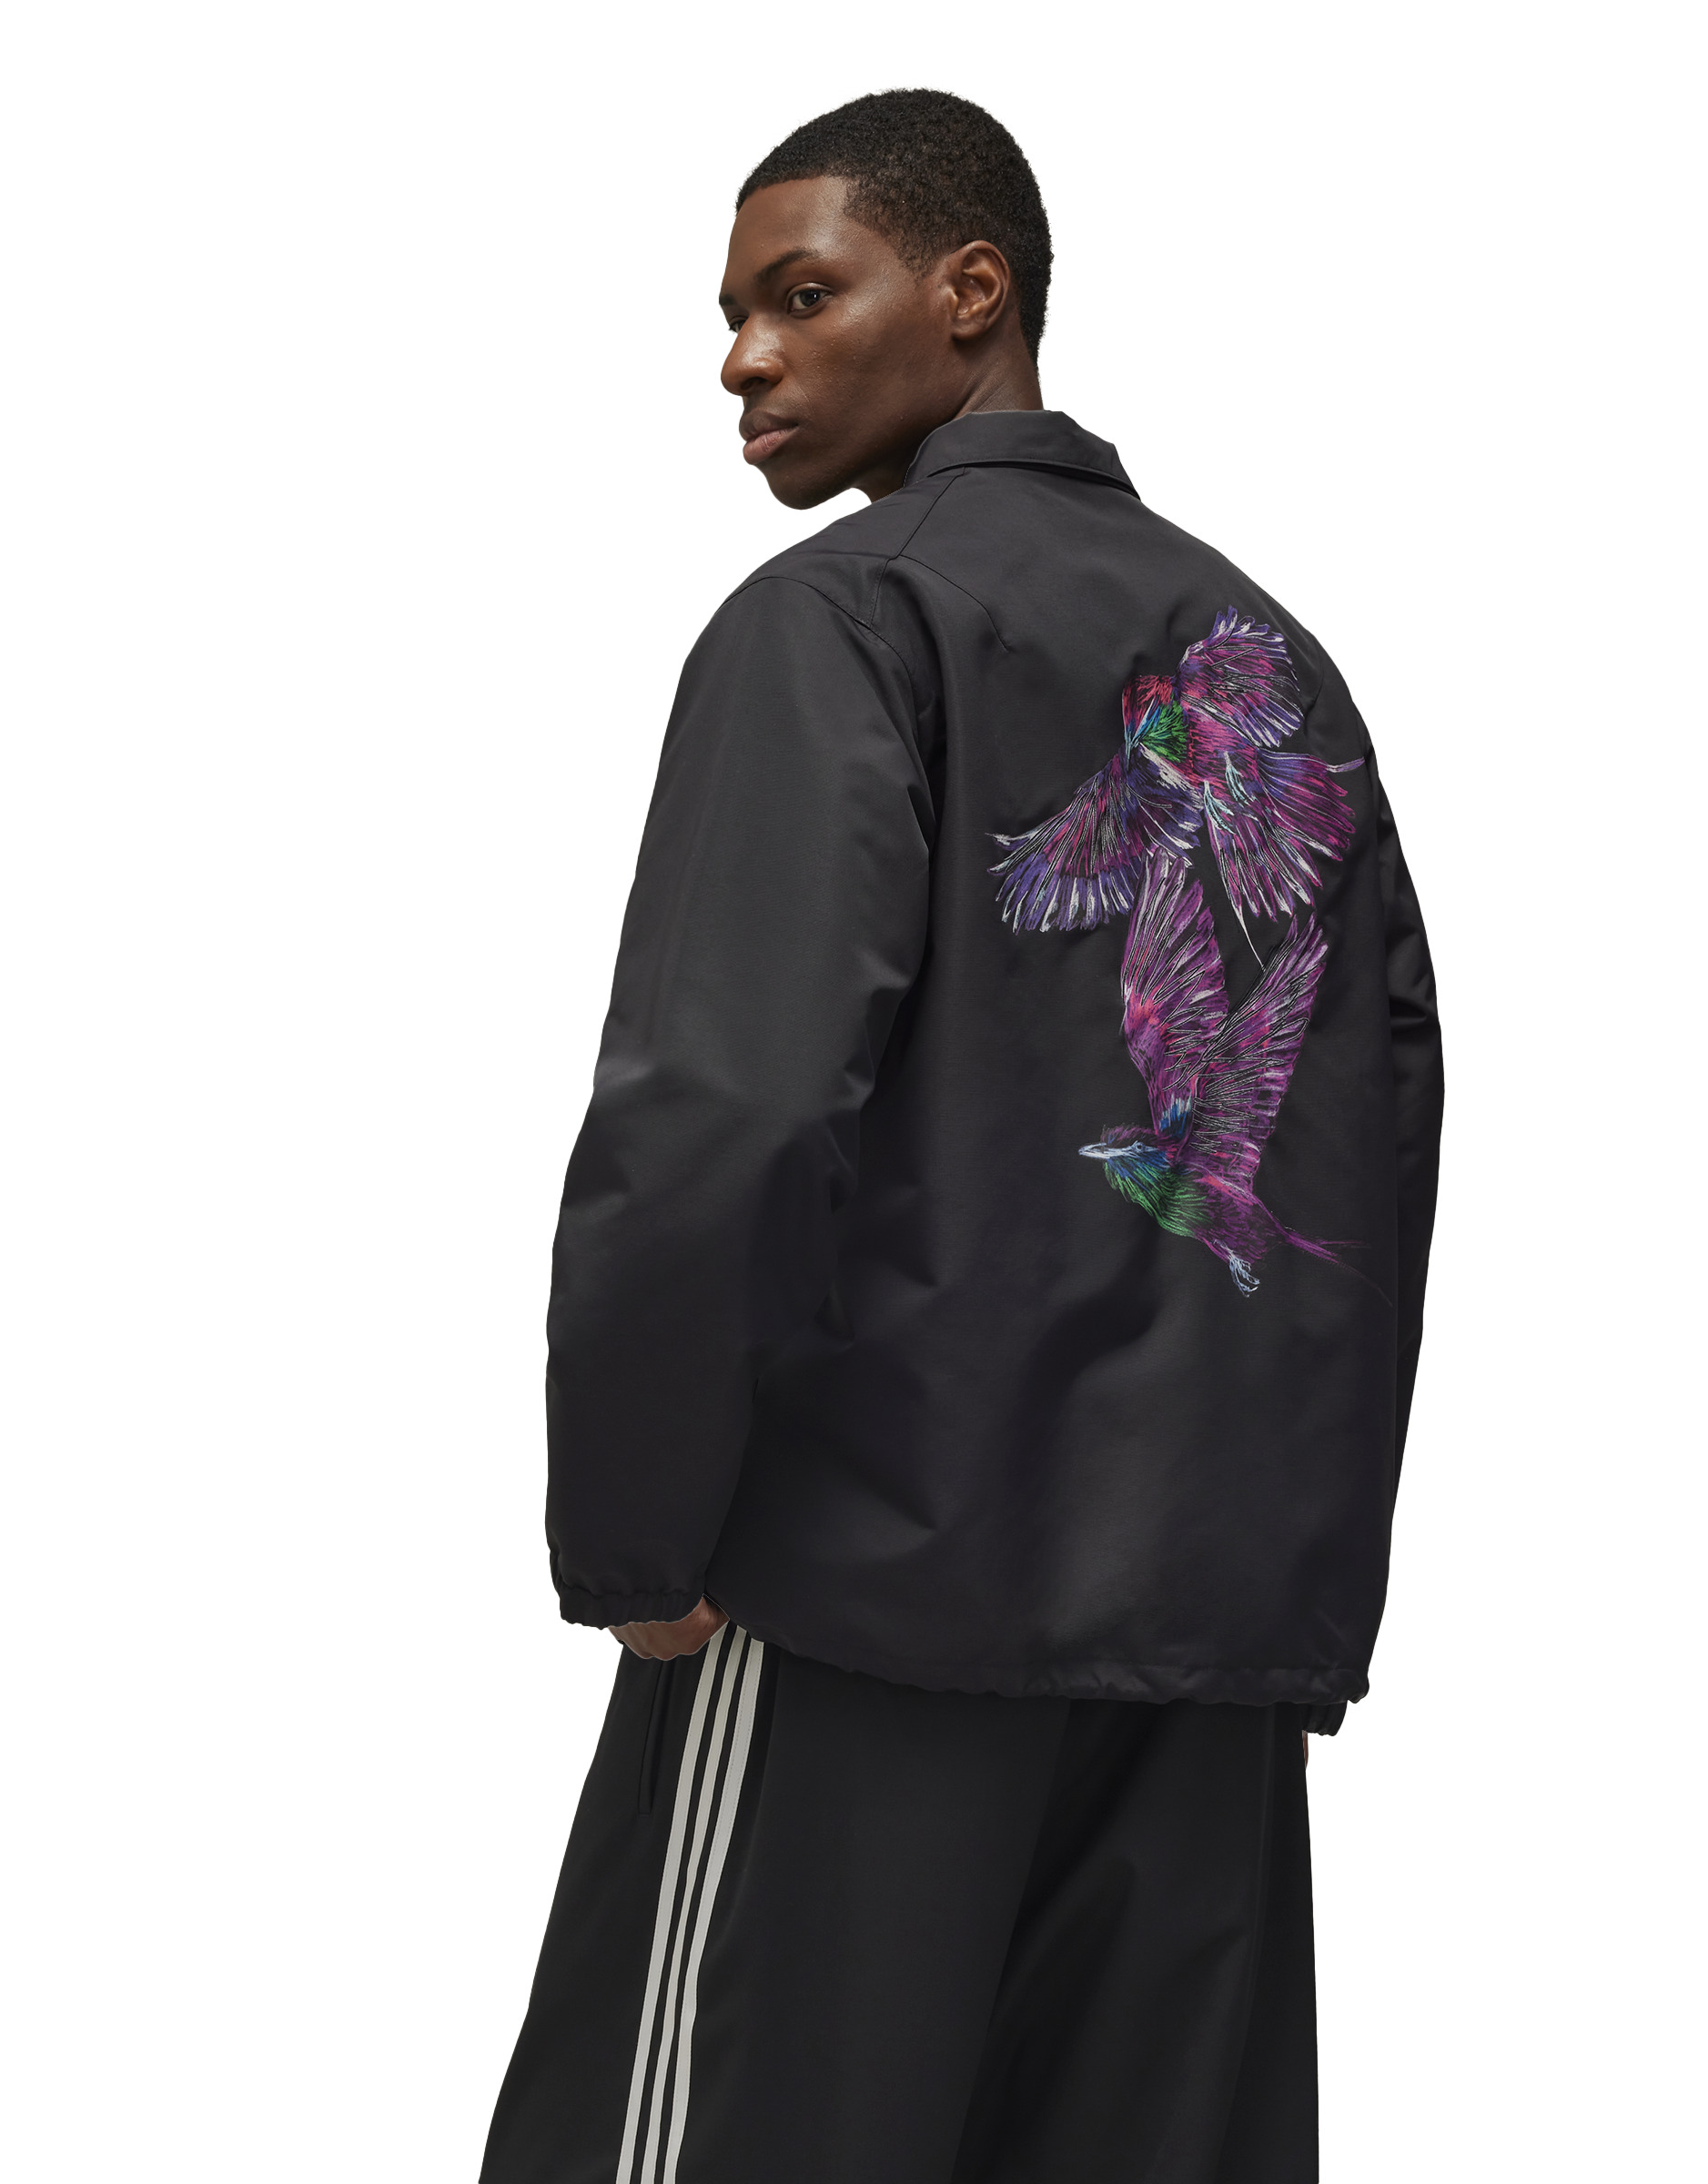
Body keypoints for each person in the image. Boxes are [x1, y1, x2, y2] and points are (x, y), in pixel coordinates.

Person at [479, 88, 1442, 2184]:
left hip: (866, 1614)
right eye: (732, 317)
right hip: (1198, 1660)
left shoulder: (845, 620)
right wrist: (1290, 1592)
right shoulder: (1271, 659)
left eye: (801, 294)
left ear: (971, 292)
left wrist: (640, 1540)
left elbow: (726, 1107)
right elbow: (1377, 1129)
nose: (744, 358)